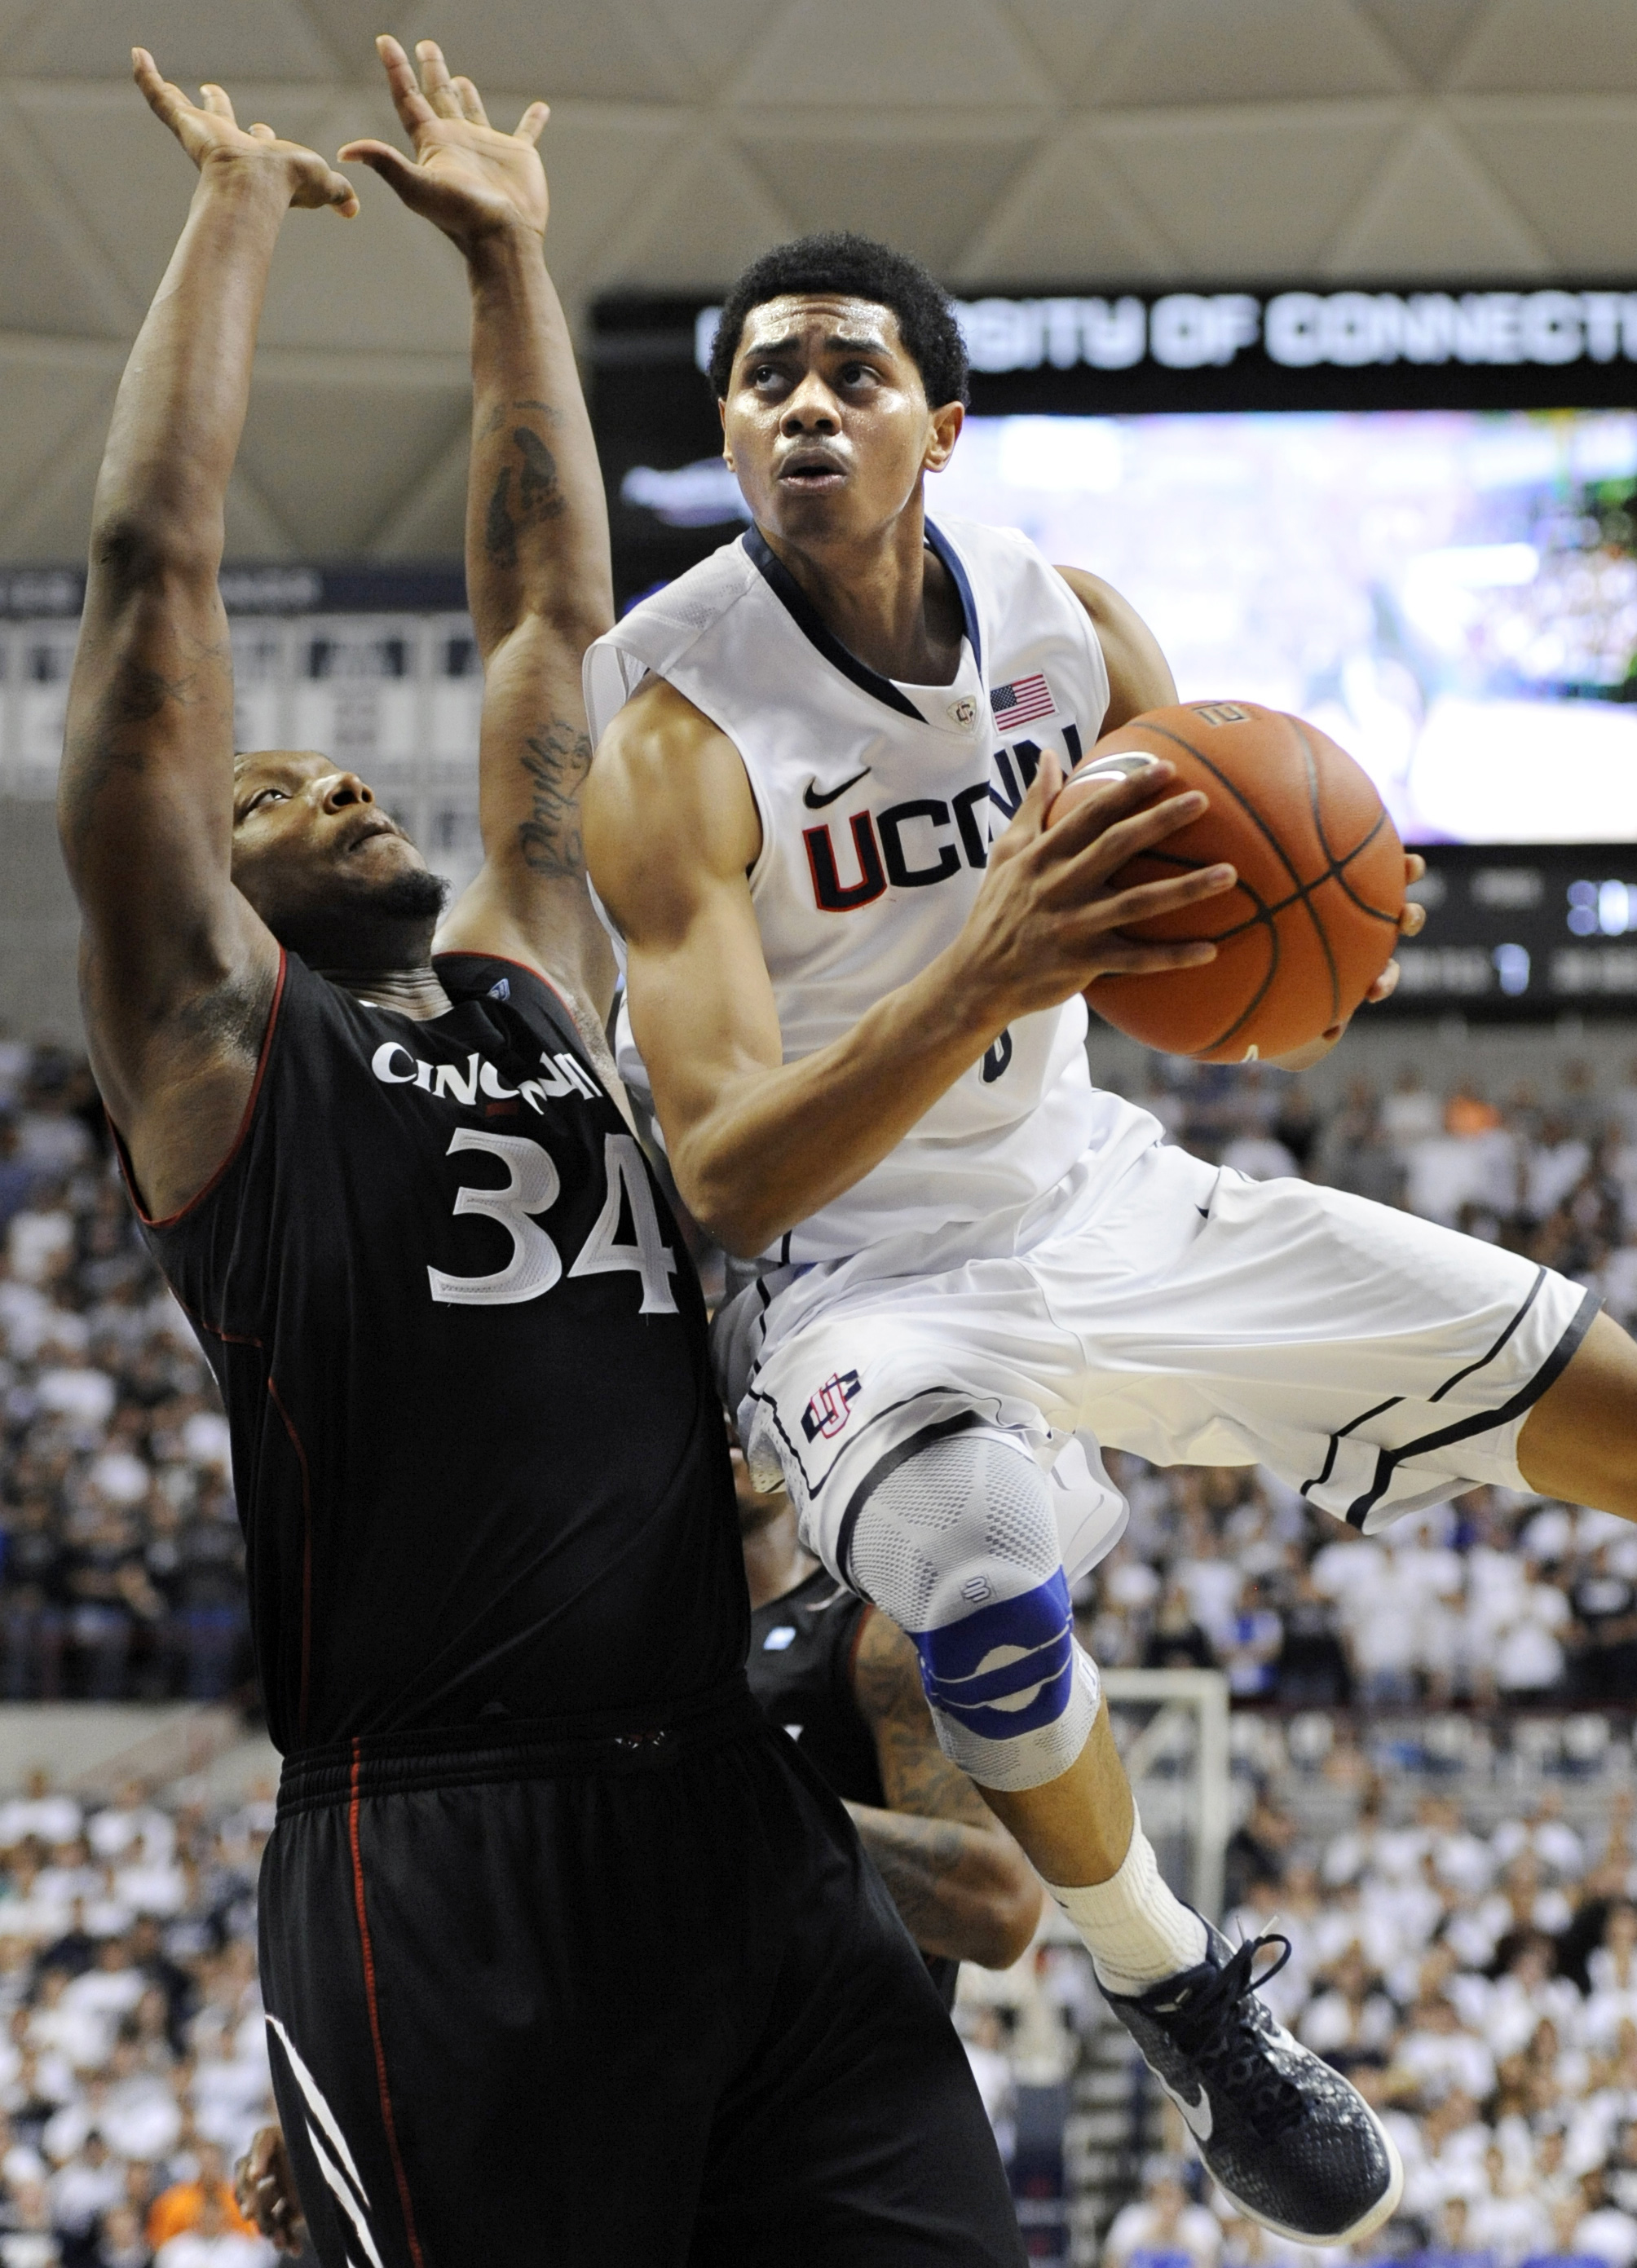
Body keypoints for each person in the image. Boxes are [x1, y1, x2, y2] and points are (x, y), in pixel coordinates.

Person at [581, 227, 1637, 2244]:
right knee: (978, 1575)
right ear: (728, 434)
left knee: (1598, 1389)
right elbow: (725, 1179)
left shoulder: (1068, 630)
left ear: (938, 425)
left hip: (1101, 1192)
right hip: (858, 1284)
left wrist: (1324, 931)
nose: (802, 401)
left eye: (849, 372)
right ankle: (1171, 1986)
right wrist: (981, 966)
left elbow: (1238, 872)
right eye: (763, 378)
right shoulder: (667, 735)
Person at [60, 56, 1021, 2268]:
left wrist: (508, 261)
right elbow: (150, 590)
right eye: (279, 784)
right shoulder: (228, 1071)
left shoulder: (526, 978)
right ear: (195, 885)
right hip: (445, 1840)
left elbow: (541, 622)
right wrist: (229, 216)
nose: (339, 783)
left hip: (722, 1798)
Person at [739, 1445, 1041, 1999]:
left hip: (851, 2070)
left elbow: (1000, 1907)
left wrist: (764, 1820)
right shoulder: (633, 1648)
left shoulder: (871, 1632)